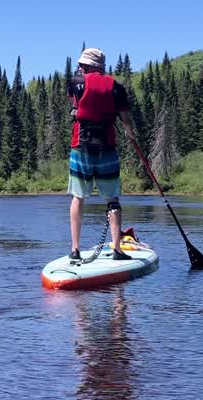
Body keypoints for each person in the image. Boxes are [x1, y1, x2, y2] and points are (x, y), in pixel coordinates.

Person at [67, 48, 137, 261]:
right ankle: (117, 249)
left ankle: (75, 249)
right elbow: (126, 121)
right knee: (112, 199)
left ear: (88, 66)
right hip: (107, 147)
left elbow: (76, 107)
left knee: (78, 197)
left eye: (82, 65)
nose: (79, 67)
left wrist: (75, 112)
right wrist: (131, 135)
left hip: (82, 146)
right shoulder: (116, 87)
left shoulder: (76, 81)